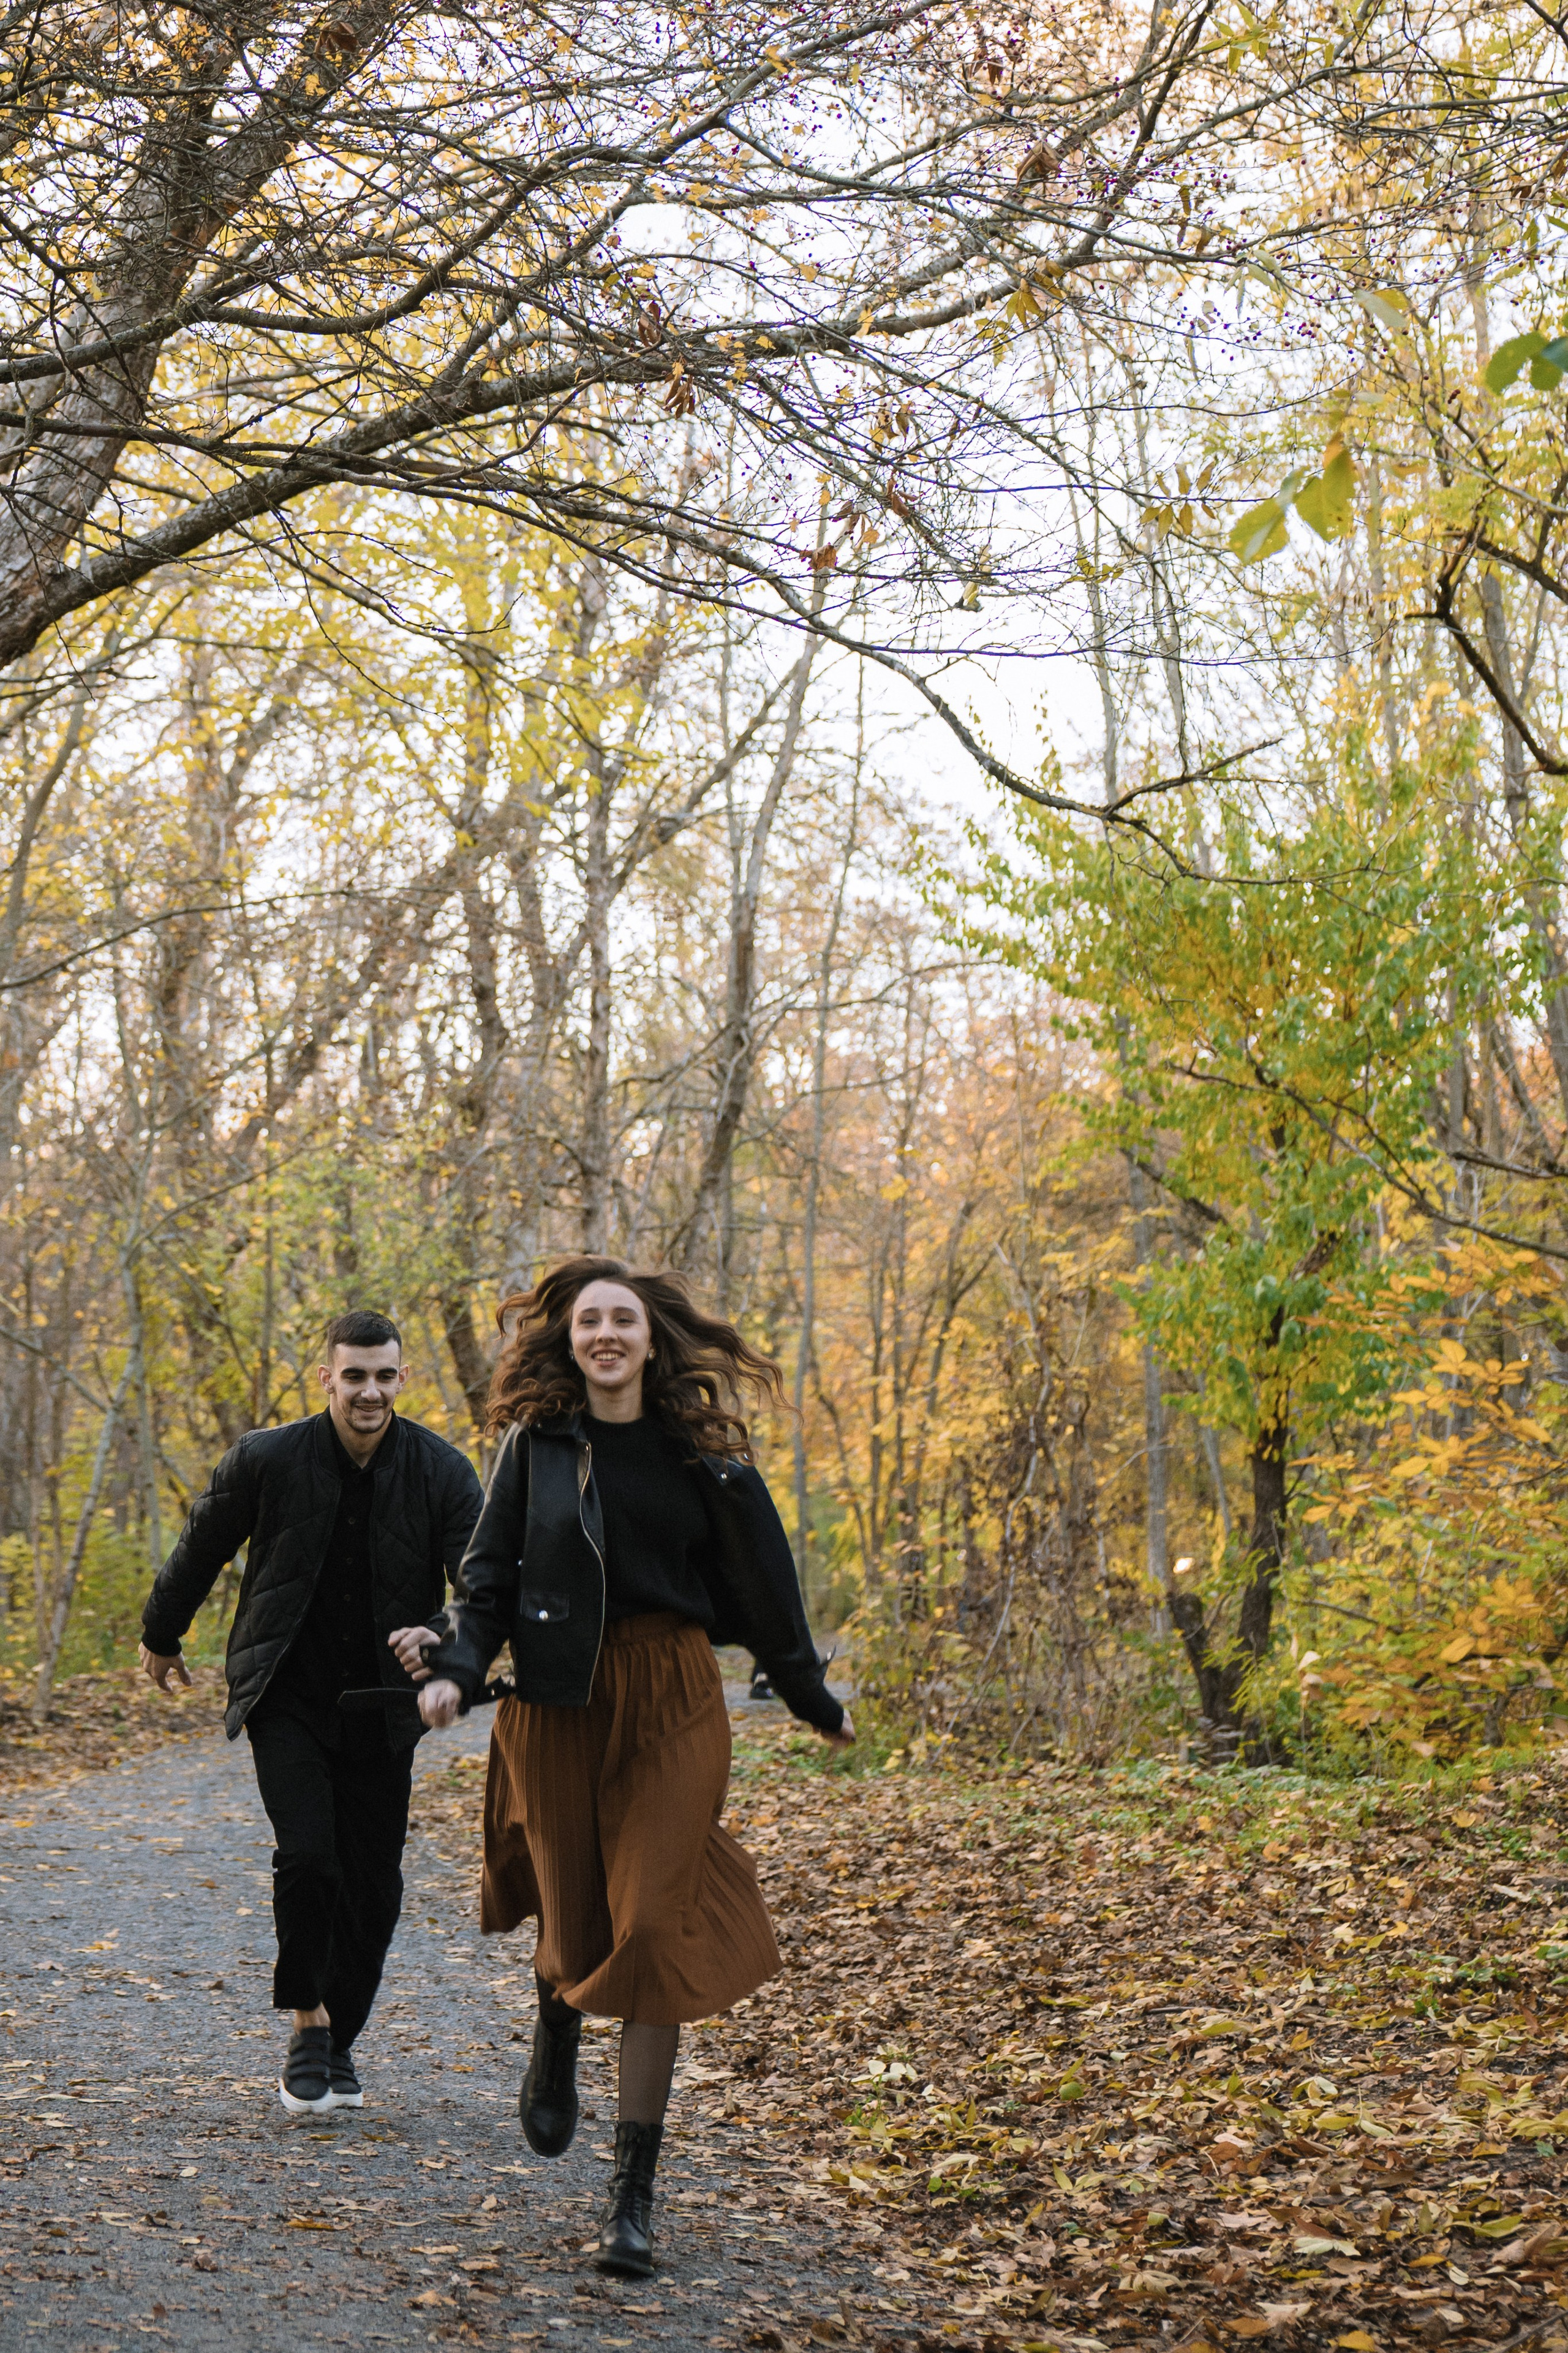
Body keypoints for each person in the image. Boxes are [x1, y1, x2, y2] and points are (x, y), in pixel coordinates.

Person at [388, 1256, 852, 2278]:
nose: (605, 1334)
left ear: (650, 1340)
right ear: (570, 1339)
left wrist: (813, 1697)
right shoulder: (535, 1446)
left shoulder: (704, 1457)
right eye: (590, 1320)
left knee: (653, 1924)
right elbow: (487, 1581)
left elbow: (768, 1592)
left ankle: (631, 2192)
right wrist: (457, 1672)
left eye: (623, 1321)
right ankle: (557, 2011)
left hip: (672, 1697)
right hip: (560, 1702)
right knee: (578, 1920)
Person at [138, 1310, 484, 2115]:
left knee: (375, 1884)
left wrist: (441, 1633)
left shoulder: (441, 1470)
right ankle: (307, 2020)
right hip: (286, 1691)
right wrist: (161, 1633)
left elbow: (483, 1583)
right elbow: (203, 1544)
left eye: (384, 1375)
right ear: (327, 1376)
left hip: (385, 1706)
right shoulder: (267, 1458)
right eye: (353, 1375)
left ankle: (340, 2039)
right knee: (309, 1856)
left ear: (402, 1378)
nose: (369, 1391)